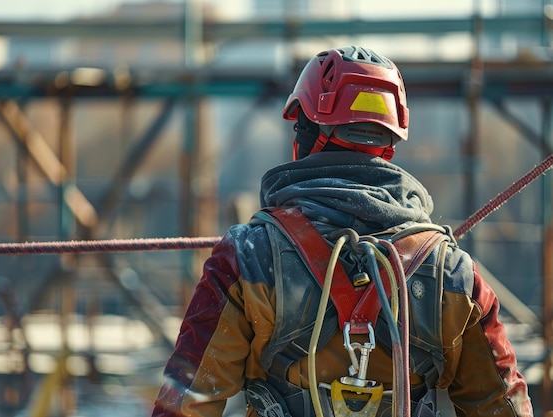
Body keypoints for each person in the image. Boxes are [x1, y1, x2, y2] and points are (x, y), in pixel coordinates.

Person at [151, 46, 533, 417]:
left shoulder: (248, 257)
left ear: (305, 131)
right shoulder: (452, 274)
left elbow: (187, 401)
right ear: (389, 145)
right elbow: (502, 406)